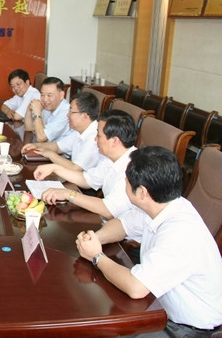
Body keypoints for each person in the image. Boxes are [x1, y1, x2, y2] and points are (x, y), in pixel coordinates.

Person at [76, 146, 222, 336]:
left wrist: (96, 256)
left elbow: (136, 288)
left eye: (126, 182)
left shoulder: (180, 232)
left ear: (142, 192)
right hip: (159, 306)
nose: (124, 185)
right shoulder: (161, 204)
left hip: (186, 329)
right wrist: (96, 238)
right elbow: (123, 225)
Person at [34, 109, 137, 219]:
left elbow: (108, 210)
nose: (95, 139)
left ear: (114, 141)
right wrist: (54, 168)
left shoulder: (133, 168)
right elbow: (86, 180)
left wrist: (68, 194)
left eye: (99, 135)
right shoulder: (111, 159)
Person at [22, 91, 103, 172]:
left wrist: (50, 154)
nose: (68, 115)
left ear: (84, 116)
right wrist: (35, 145)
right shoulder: (79, 131)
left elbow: (75, 168)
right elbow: (58, 147)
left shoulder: (94, 137)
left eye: (71, 111)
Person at [24, 76, 70, 142]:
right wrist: (29, 108)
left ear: (61, 95)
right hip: (47, 146)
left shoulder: (66, 112)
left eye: (49, 95)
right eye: (42, 95)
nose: (45, 99)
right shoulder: (47, 107)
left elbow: (41, 138)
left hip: (59, 148)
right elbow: (29, 128)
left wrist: (37, 112)